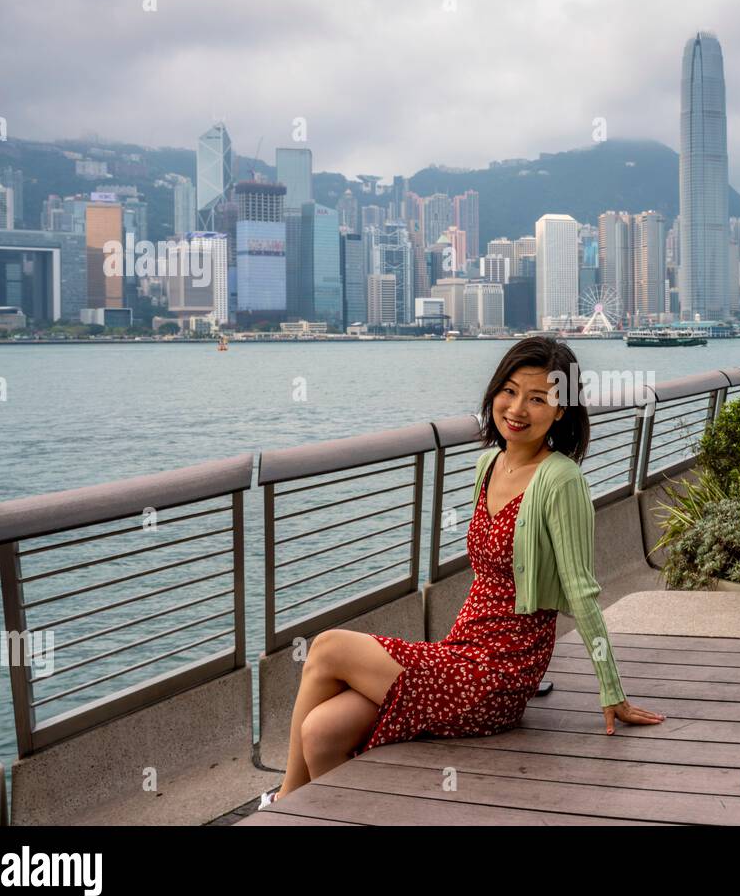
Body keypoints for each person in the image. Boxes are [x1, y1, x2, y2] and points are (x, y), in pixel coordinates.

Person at [260, 337, 664, 807]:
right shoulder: (488, 463)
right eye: (509, 391)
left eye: (538, 398)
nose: (517, 408)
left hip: (500, 673)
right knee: (320, 730)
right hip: (460, 653)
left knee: (327, 647)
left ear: (561, 411)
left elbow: (581, 589)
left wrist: (611, 690)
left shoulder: (561, 479)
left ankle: (282, 801)